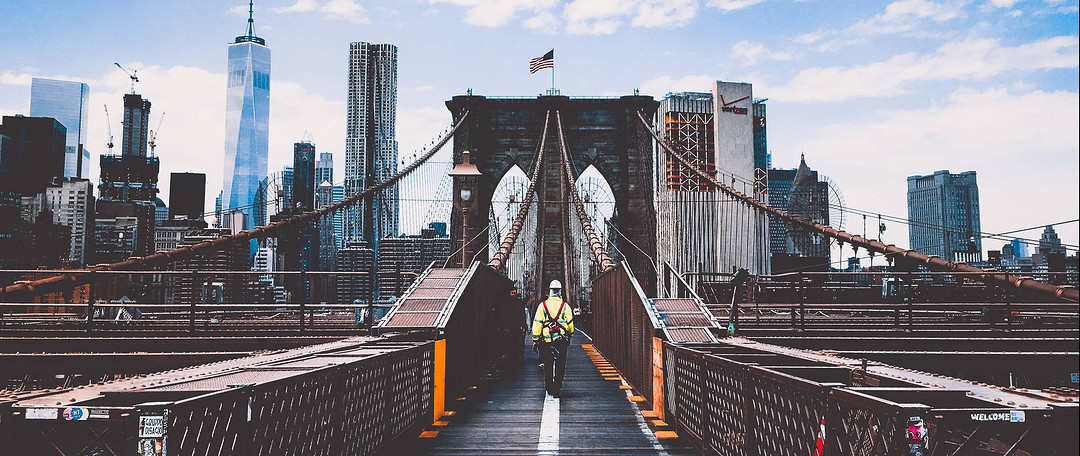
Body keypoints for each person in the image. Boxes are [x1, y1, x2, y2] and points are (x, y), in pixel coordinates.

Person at [531, 279, 574, 397]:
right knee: (560, 365)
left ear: (549, 291)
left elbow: (537, 324)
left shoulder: (542, 306)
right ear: (560, 291)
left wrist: (535, 340)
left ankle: (549, 387)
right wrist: (569, 336)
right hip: (561, 341)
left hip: (546, 341)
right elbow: (570, 325)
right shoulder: (565, 306)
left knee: (548, 364)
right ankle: (557, 388)